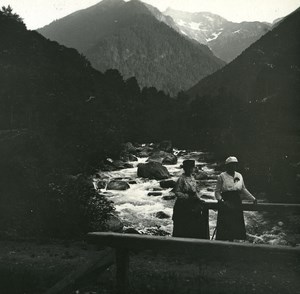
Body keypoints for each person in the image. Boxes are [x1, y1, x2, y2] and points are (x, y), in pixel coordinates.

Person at [215, 156, 257, 241]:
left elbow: (243, 189)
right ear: (227, 166)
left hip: (236, 201)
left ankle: (234, 244)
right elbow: (217, 192)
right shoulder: (222, 176)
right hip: (226, 201)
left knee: (236, 225)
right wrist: (221, 201)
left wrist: (253, 199)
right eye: (231, 165)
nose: (233, 167)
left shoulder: (239, 175)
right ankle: (224, 246)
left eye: (235, 165)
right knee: (225, 226)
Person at [172, 159, 208, 239]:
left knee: (193, 225)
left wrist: (199, 199)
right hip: (183, 206)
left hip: (192, 204)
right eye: (188, 168)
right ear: (185, 168)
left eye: (191, 168)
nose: (190, 169)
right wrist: (187, 197)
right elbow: (177, 192)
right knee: (183, 226)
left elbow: (195, 191)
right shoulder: (181, 179)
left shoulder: (192, 178)